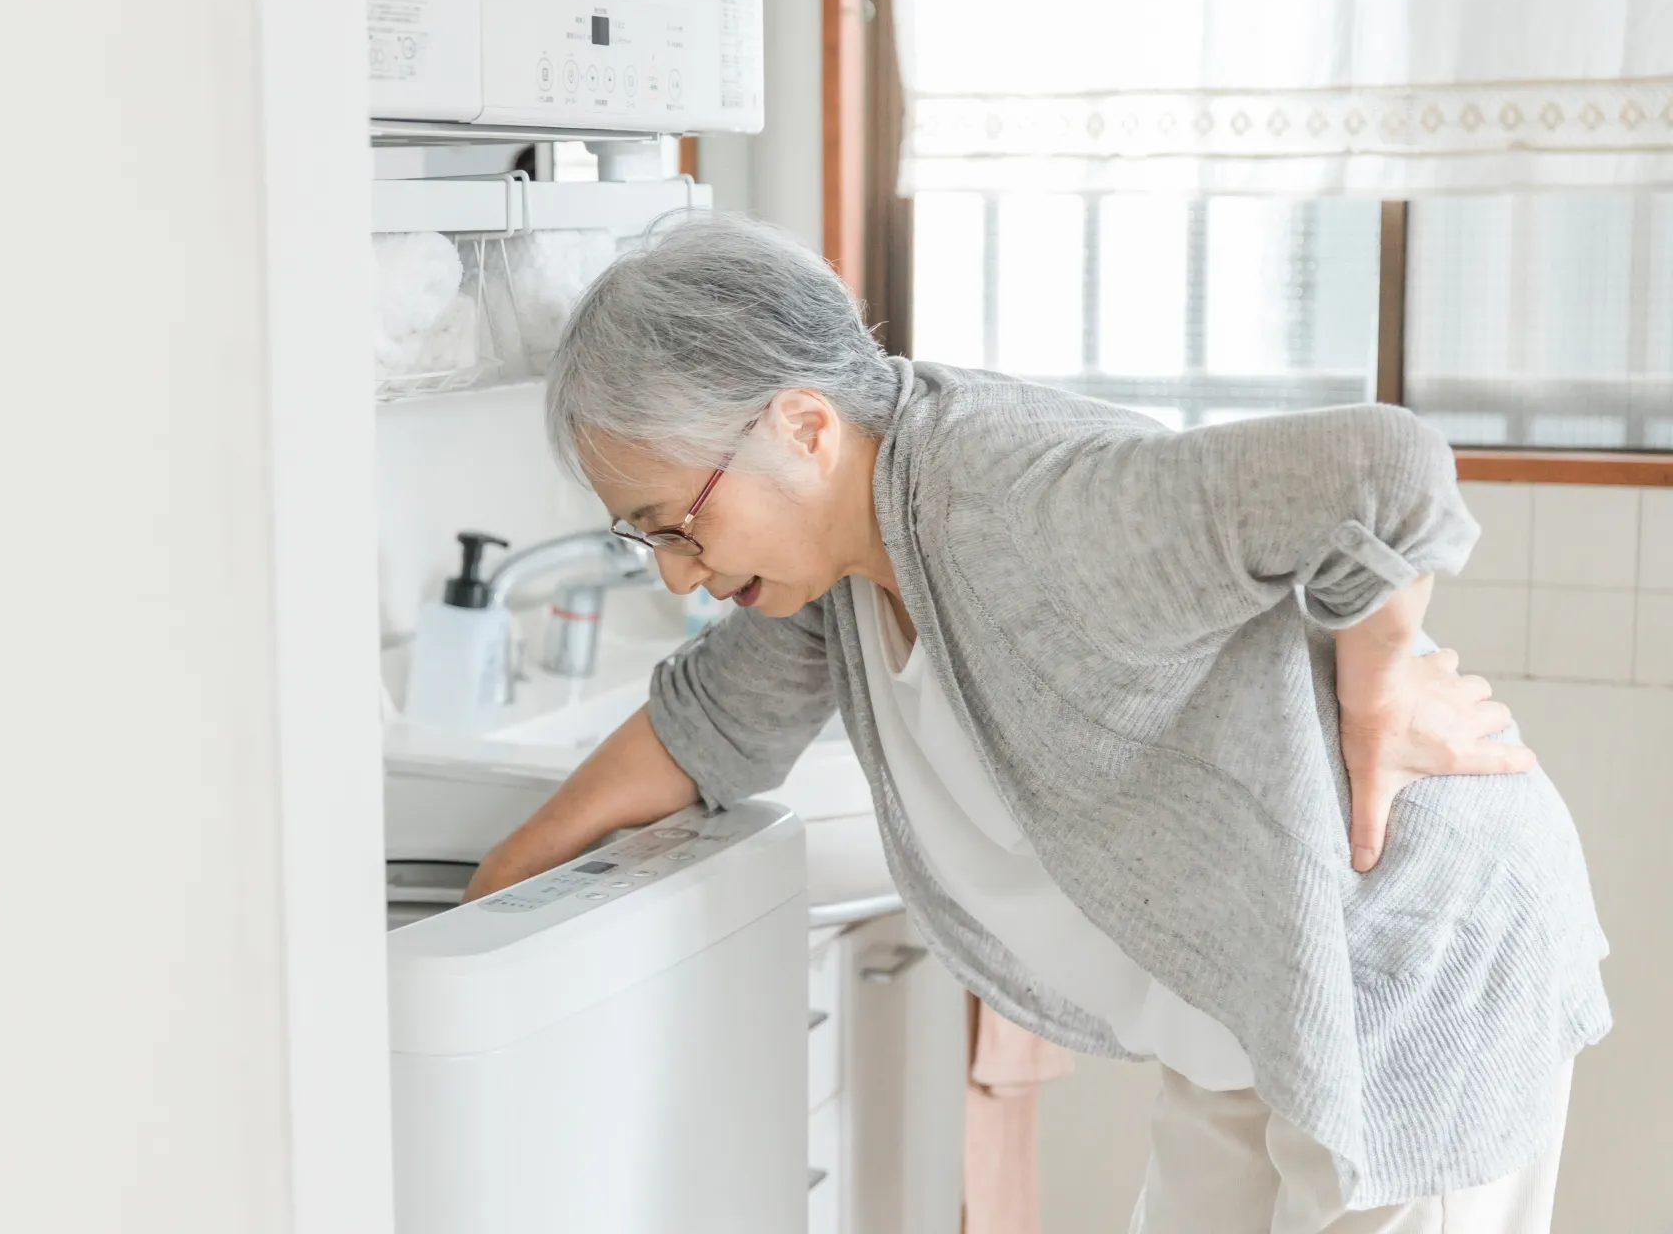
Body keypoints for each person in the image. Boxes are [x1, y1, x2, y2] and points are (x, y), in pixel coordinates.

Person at [463, 211, 1609, 1232]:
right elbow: (702, 729)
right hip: (1248, 994)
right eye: (647, 536)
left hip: (1404, 965)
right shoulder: (841, 564)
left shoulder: (1023, 502)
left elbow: (1388, 466)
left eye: (674, 524)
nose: (675, 575)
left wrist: (1384, 689)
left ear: (802, 426)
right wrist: (492, 897)